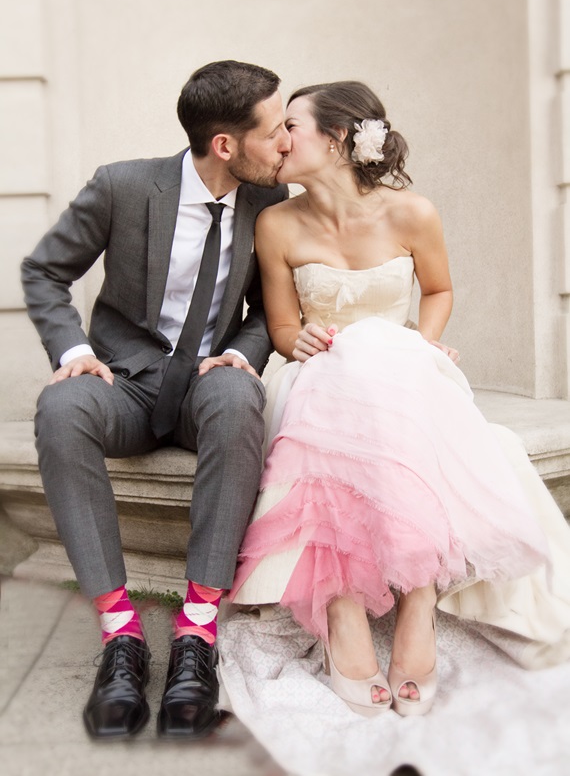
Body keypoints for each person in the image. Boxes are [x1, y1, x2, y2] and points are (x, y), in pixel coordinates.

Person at [228, 80, 570, 721]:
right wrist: (297, 336)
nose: (279, 141)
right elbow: (278, 327)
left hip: (403, 367)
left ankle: (418, 602)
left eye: (291, 127)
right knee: (347, 377)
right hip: (318, 375)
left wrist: (426, 344)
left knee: (387, 366)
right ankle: (342, 609)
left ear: (336, 139)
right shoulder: (275, 223)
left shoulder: (413, 212)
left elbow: (437, 291)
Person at [21, 60, 290, 740]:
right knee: (60, 406)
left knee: (237, 392)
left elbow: (271, 307)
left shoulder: (272, 204)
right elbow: (45, 269)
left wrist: (248, 348)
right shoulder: (123, 186)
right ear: (225, 144)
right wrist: (74, 352)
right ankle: (122, 634)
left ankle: (197, 631)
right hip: (128, 387)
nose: (286, 140)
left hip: (207, 386)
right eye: (274, 128)